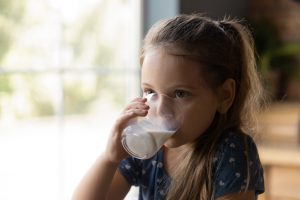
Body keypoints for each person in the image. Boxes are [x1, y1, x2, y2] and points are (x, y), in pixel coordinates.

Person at [72, 14, 265, 200]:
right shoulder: (149, 147)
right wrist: (109, 159)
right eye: (150, 92)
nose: (161, 110)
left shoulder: (230, 150)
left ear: (224, 96)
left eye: (180, 94)